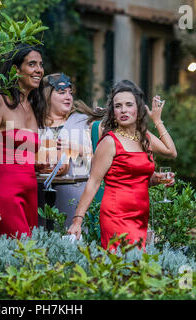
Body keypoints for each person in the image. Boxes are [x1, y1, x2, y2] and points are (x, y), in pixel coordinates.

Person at [67, 80, 177, 250]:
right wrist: (77, 220)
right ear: (113, 112)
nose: (123, 110)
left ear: (138, 109)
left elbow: (171, 152)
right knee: (121, 268)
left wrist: (157, 120)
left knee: (137, 270)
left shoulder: (143, 137)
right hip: (116, 215)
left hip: (141, 215)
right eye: (118, 106)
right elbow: (93, 182)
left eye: (128, 104)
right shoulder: (110, 141)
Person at [0, 44, 45, 238]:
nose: (38, 70)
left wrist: (37, 164)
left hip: (30, 192)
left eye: (40, 65)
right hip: (4, 190)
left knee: (25, 257)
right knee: (19, 253)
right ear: (16, 69)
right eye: (32, 64)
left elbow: (22, 153)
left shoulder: (33, 107)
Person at [36, 73, 93, 229]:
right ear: (47, 96)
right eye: (61, 92)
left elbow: (104, 157)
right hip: (40, 203)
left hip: (76, 201)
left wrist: (78, 149)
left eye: (70, 92)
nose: (68, 97)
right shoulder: (34, 123)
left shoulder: (84, 121)